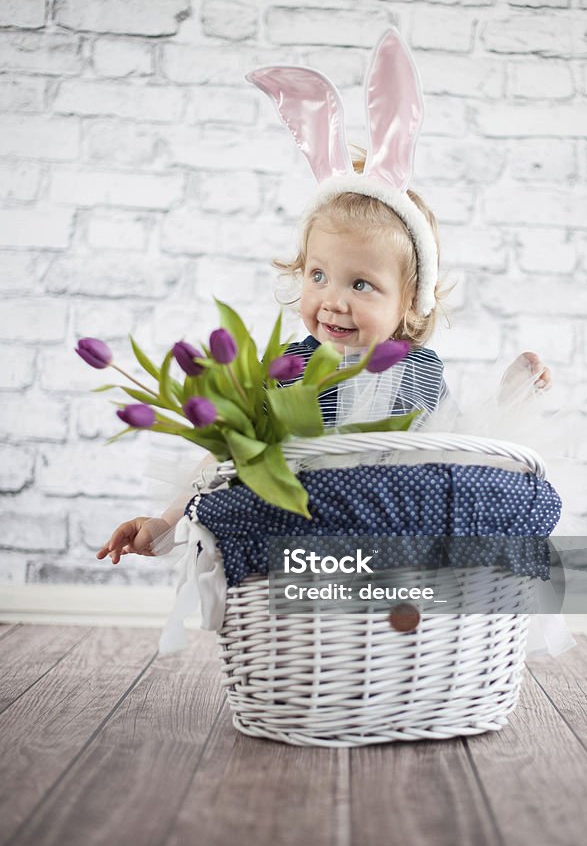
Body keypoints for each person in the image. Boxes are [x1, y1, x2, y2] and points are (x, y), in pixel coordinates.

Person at [96, 28, 551, 567]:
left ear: (410, 302)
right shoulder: (288, 368)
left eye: (361, 284)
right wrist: (166, 525)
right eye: (318, 276)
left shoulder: (420, 371)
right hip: (300, 544)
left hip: (391, 544)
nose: (332, 300)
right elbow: (232, 458)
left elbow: (460, 452)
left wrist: (512, 396)